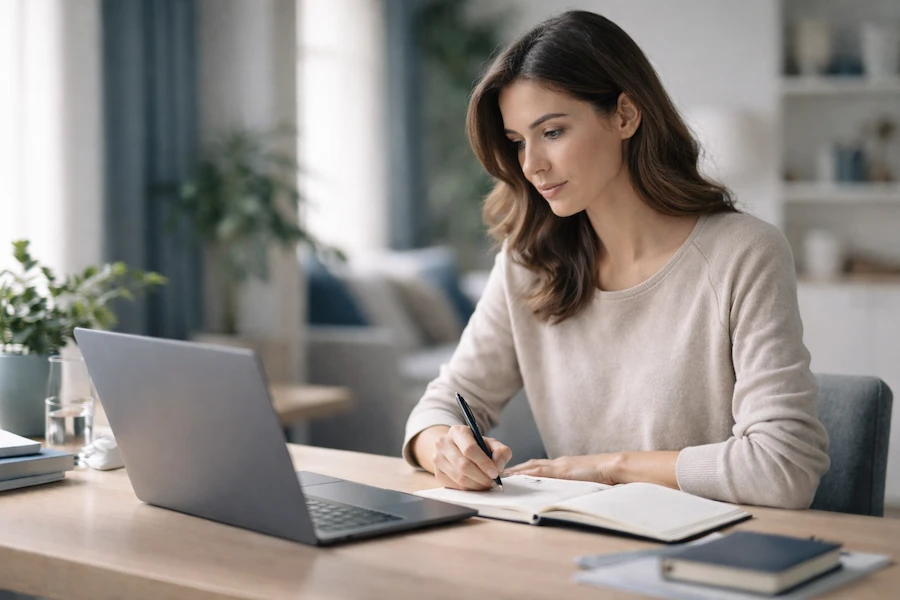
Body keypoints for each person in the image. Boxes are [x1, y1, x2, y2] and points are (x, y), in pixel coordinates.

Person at [402, 10, 829, 509]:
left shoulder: (744, 253)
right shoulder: (529, 261)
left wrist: (608, 467)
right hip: (572, 551)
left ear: (625, 115)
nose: (532, 165)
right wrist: (444, 449)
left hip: (707, 557)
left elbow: (785, 467)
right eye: (518, 142)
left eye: (553, 132)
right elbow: (441, 405)